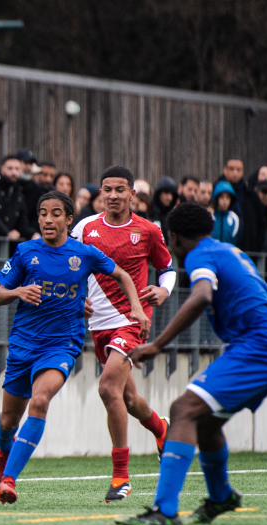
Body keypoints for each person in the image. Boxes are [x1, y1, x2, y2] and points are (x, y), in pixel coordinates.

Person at [118, 202, 267, 525]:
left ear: (175, 237)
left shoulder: (199, 255)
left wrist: (156, 345)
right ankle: (221, 496)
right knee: (206, 423)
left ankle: (165, 511)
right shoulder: (232, 251)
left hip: (258, 346)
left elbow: (201, 297)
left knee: (183, 409)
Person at [0, 190, 149, 505]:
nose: (48, 219)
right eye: (43, 213)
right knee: (8, 420)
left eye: (55, 214)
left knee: (40, 400)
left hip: (62, 344)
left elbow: (122, 275)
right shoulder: (25, 252)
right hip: (24, 344)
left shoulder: (85, 254)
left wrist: (137, 308)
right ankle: (3, 450)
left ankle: (9, 480)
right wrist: (19, 291)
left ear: (68, 219)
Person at [64, 167, 175, 501]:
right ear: (101, 193)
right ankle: (161, 429)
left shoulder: (148, 230)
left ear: (133, 195)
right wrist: (74, 295)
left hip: (133, 319)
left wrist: (163, 291)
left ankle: (120, 476)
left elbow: (166, 267)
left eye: (120, 190)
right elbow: (67, 262)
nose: (113, 196)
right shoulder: (85, 227)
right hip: (98, 323)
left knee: (107, 387)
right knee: (127, 398)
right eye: (107, 190)